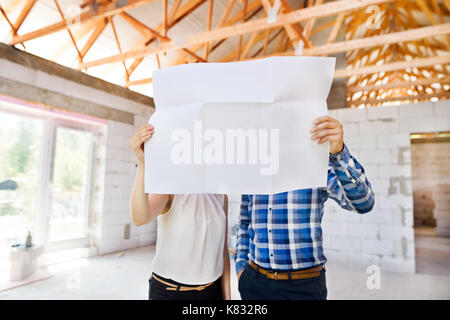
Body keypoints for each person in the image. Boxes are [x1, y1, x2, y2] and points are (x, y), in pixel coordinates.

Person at [235, 115, 375, 300]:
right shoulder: (255, 167)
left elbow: (364, 203)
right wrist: (241, 269)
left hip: (303, 288)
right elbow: (244, 222)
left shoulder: (316, 164)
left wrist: (339, 153)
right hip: (254, 284)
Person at [129, 124, 231, 300]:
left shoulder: (221, 195)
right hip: (171, 293)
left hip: (211, 292)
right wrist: (142, 163)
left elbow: (222, 251)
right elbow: (140, 217)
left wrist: (227, 298)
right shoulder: (171, 188)